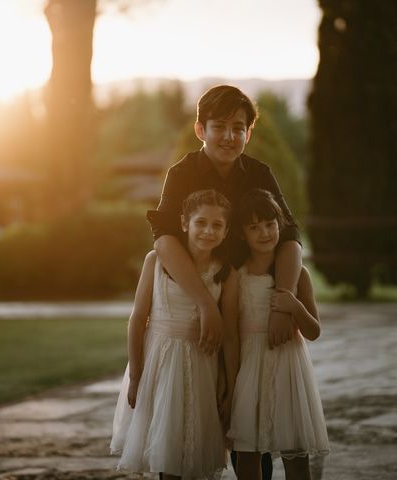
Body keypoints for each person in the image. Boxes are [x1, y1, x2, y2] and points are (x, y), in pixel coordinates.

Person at [147, 84, 303, 359]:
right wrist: (206, 304)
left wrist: (283, 303)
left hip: (248, 297)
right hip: (197, 291)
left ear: (248, 133)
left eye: (238, 128)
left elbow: (290, 236)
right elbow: (164, 238)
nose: (229, 137)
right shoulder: (181, 174)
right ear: (200, 130)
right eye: (219, 127)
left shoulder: (260, 173)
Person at [110, 189, 240, 480]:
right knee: (166, 450)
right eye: (200, 222)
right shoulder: (156, 261)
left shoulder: (227, 273)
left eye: (217, 225)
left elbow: (230, 334)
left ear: (226, 230)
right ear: (184, 223)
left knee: (194, 452)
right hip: (160, 363)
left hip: (203, 366)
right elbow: (138, 319)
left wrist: (230, 388)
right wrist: (135, 376)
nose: (208, 231)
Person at [228, 189, 329, 480]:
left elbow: (314, 331)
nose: (264, 233)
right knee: (248, 457)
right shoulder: (237, 275)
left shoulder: (299, 275)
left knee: (296, 459)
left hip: (288, 370)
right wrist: (230, 379)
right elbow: (232, 332)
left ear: (280, 223)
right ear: (241, 233)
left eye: (270, 224)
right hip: (249, 370)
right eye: (254, 227)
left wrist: (294, 306)